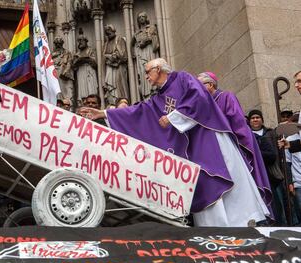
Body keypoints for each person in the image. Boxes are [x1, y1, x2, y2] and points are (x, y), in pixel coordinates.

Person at [80, 58, 270, 227]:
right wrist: (103, 113)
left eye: (148, 71)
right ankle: (215, 229)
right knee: (202, 184)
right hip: (191, 145)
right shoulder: (157, 98)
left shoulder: (182, 78)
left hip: (207, 137)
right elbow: (138, 112)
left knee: (217, 176)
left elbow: (199, 97)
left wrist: (175, 117)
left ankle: (243, 221)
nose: (145, 76)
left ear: (160, 69)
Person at [197, 72, 273, 216]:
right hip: (214, 153)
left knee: (239, 186)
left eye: (200, 85)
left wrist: (239, 144)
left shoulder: (226, 97)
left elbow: (238, 123)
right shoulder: (203, 104)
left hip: (231, 148)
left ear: (211, 85)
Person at [247, 109, 287, 225]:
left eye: (257, 117)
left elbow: (276, 153)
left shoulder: (271, 133)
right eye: (253, 118)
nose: (255, 119)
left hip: (274, 172)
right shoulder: (247, 135)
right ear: (249, 121)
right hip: (257, 175)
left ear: (262, 119)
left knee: (279, 204)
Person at [132, 11, 159, 99]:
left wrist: (147, 40)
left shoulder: (151, 28)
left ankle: (154, 89)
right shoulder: (136, 33)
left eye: (143, 16)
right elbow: (132, 44)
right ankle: (147, 92)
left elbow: (155, 41)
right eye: (139, 17)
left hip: (149, 52)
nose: (141, 18)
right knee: (143, 72)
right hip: (141, 54)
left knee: (152, 68)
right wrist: (135, 50)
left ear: (146, 18)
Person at [103, 24, 129, 105]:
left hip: (118, 67)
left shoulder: (119, 39)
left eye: (109, 31)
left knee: (119, 86)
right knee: (111, 87)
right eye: (106, 32)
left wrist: (113, 56)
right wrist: (108, 57)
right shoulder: (106, 43)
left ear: (113, 30)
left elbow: (123, 55)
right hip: (109, 68)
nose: (108, 33)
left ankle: (121, 103)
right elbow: (103, 57)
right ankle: (112, 103)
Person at [73, 34, 98, 104]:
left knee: (91, 90)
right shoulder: (77, 54)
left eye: (81, 40)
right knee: (82, 93)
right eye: (78, 41)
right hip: (80, 73)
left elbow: (95, 63)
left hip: (89, 72)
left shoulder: (91, 51)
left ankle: (93, 102)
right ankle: (82, 103)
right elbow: (74, 67)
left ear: (86, 41)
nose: (79, 42)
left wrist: (85, 59)